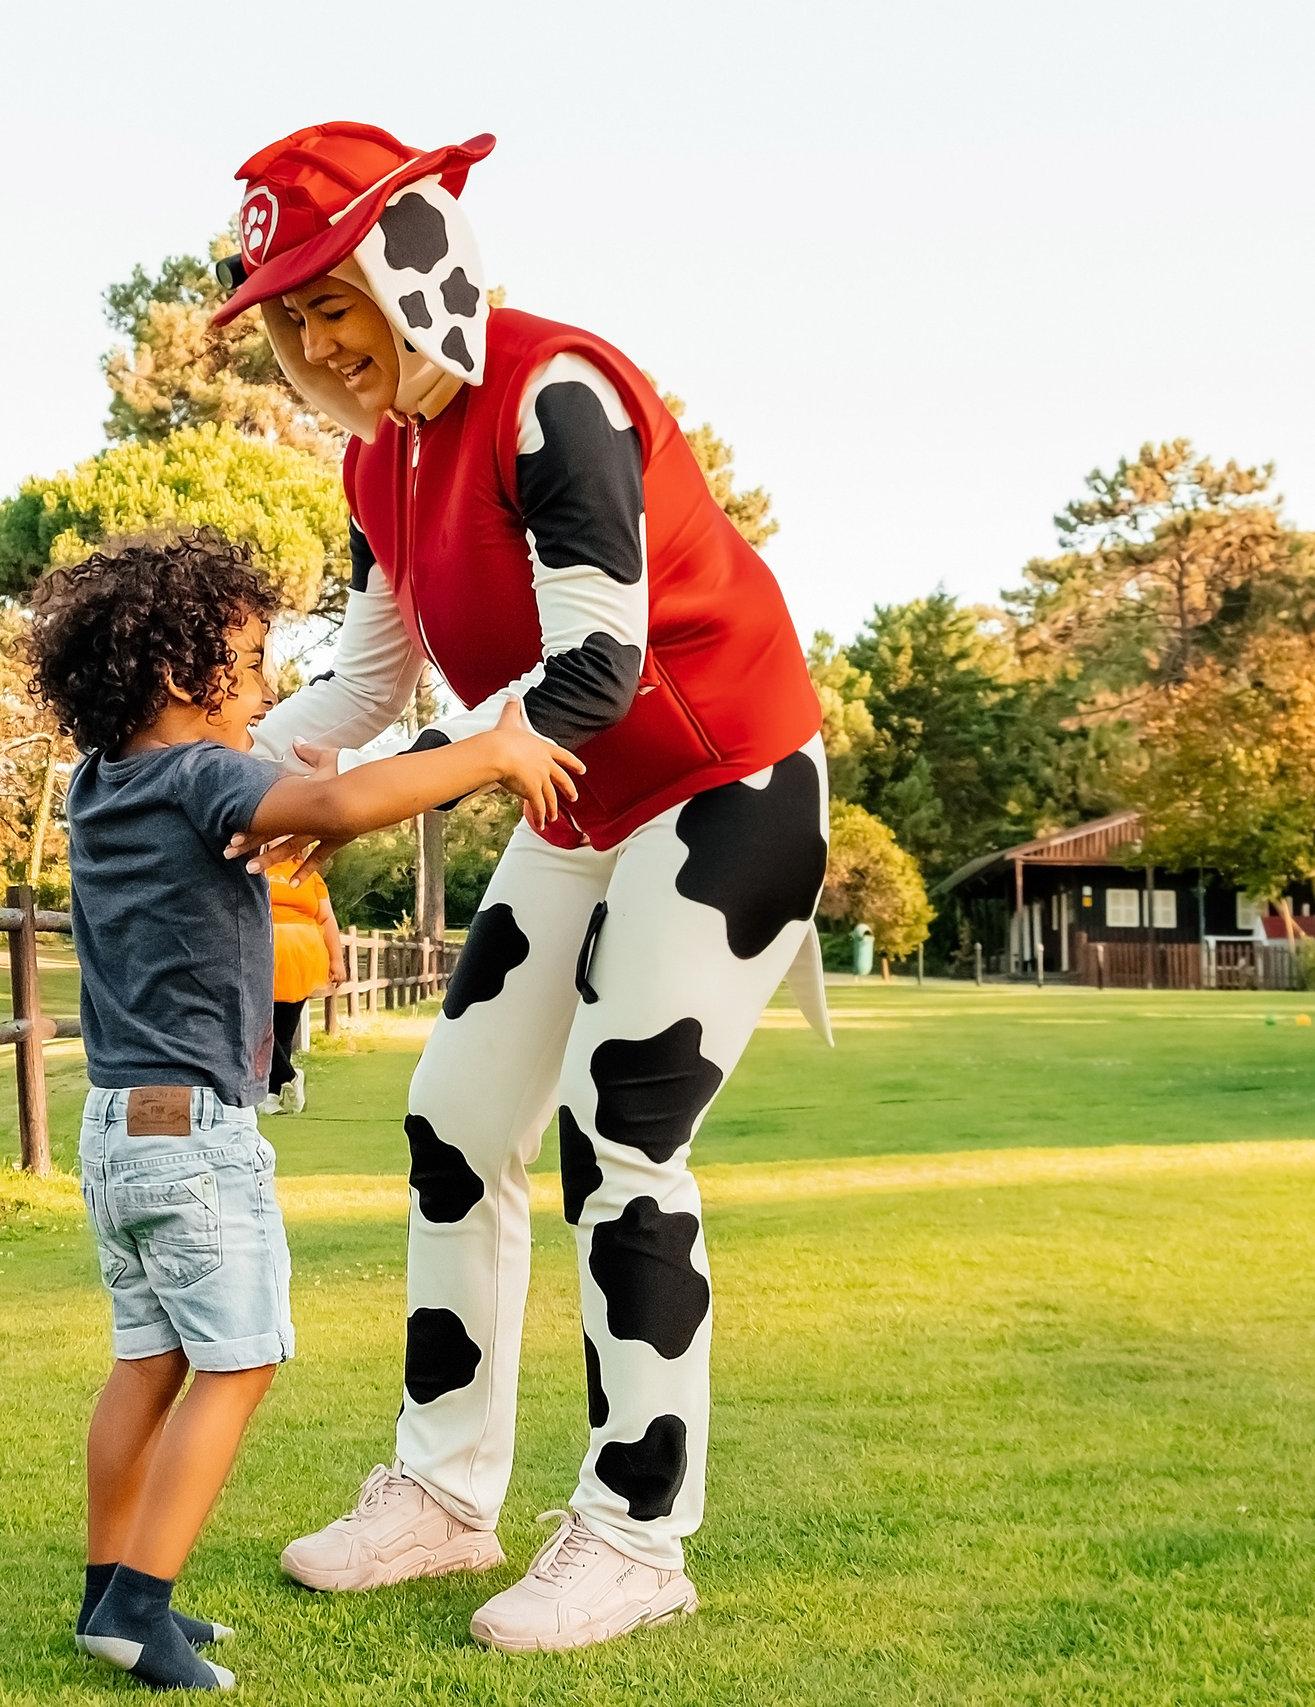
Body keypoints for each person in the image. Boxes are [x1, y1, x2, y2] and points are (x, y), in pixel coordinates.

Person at [205, 122, 833, 1652]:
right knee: (456, 1117)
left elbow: (600, 664)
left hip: (719, 782)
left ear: (411, 270)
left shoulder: (557, 391)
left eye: (327, 301)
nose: (310, 342)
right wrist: (216, 777)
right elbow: (363, 678)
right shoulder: (379, 460)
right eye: (286, 318)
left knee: (621, 1134)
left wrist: (370, 797)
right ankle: (441, 1495)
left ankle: (634, 1531)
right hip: (568, 794)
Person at [26, 532, 582, 1691]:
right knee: (238, 1363)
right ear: (186, 678)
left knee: (150, 1360)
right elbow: (336, 797)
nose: (269, 685)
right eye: (252, 658)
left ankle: (104, 1594)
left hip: (117, 1128)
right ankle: (140, 1609)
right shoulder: (198, 775)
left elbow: (270, 841)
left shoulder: (101, 785)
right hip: (196, 1134)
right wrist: (490, 749)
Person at [260, 855, 342, 1115]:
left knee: (284, 1030)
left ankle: (271, 1096)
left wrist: (337, 959)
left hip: (301, 957)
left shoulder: (311, 874)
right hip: (262, 956)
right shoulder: (256, 867)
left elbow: (327, 918)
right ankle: (291, 1075)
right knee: (256, 1025)